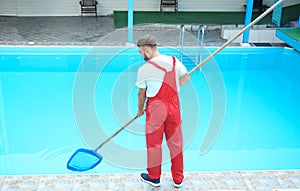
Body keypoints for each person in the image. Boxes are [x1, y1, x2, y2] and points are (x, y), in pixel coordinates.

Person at [135, 34, 190, 188]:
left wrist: (140, 109)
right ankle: (178, 179)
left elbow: (141, 93)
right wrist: (174, 88)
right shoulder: (174, 61)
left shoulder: (144, 69)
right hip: (174, 106)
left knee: (154, 144)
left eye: (140, 52)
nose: (141, 55)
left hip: (155, 108)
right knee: (176, 143)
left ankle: (154, 177)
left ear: (146, 50)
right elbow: (186, 78)